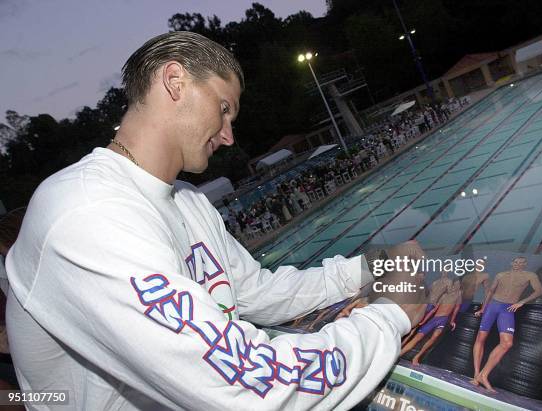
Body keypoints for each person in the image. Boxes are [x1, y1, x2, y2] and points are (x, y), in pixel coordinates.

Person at [5, 32, 425, 410]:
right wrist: (390, 315)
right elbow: (249, 388)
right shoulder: (84, 212)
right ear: (175, 82)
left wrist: (372, 265)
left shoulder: (189, 202)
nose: (229, 136)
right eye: (223, 109)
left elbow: (256, 293)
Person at [471, 257, 542, 392]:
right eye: (516, 262)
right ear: (511, 263)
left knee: (507, 343)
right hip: (493, 306)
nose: (518, 264)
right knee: (480, 338)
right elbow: (490, 292)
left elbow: (539, 291)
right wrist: (483, 308)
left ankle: (483, 375)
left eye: (521, 262)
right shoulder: (501, 275)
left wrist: (522, 302)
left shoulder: (530, 276)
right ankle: (476, 374)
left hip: (508, 309)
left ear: (525, 264)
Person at [399, 278, 462, 365]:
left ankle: (417, 357)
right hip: (435, 319)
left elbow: (456, 309)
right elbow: (434, 310)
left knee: (434, 338)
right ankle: (399, 354)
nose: (456, 287)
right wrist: (424, 320)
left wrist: (452, 321)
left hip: (443, 320)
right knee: (417, 338)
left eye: (458, 285)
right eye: (455, 285)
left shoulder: (458, 296)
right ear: (452, 286)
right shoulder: (444, 296)